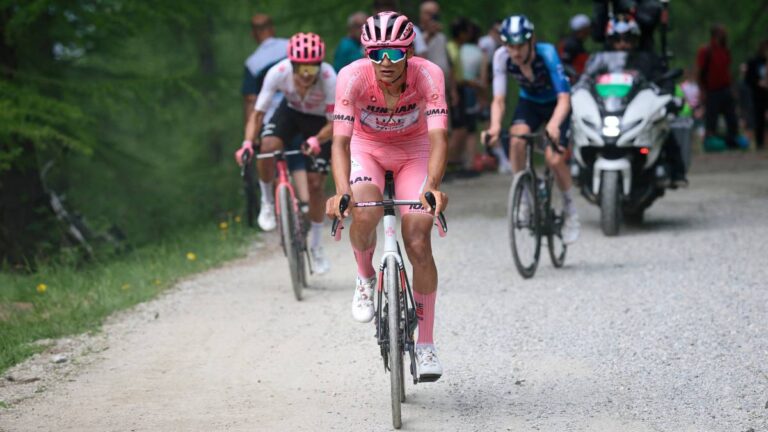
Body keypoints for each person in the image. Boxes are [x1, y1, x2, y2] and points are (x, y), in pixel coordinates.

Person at [326, 11, 449, 381]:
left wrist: (432, 185)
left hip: (414, 152)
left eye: (394, 54)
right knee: (363, 211)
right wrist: (341, 190)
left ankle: (425, 345)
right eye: (376, 52)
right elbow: (340, 141)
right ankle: (365, 278)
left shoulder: (429, 75)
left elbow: (439, 137)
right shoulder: (351, 76)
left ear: (409, 52)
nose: (385, 62)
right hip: (368, 150)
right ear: (366, 52)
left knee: (418, 239)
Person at [237, 33, 337, 274]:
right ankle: (268, 202)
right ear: (291, 64)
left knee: (315, 185)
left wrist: (316, 140)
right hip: (290, 113)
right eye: (301, 68)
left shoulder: (329, 77)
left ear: (319, 67)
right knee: (267, 147)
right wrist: (248, 143)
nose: (305, 75)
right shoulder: (278, 72)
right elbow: (258, 114)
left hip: (321, 123)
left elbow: (336, 123)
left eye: (311, 69)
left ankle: (315, 246)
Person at [485, 15, 581, 244]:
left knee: (554, 159)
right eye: (510, 45)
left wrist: (555, 124)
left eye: (520, 46)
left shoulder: (547, 53)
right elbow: (498, 100)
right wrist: (495, 126)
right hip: (529, 102)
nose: (515, 52)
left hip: (556, 104)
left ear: (531, 41)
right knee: (516, 141)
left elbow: (564, 98)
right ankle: (525, 199)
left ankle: (570, 211)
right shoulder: (501, 57)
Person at [580, 17, 688, 186]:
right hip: (609, 110)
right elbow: (585, 80)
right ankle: (577, 169)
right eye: (617, 40)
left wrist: (667, 97)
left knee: (663, 129)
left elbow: (664, 81)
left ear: (636, 40)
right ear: (609, 41)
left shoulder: (648, 59)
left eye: (627, 39)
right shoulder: (599, 60)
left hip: (638, 113)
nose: (622, 44)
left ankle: (676, 171)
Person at [241, 14, 288, 125]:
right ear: (272, 29)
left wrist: (251, 138)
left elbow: (250, 99)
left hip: (272, 119)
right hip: (302, 111)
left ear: (253, 34)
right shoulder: (293, 47)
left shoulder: (252, 62)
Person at [697, 24, 739, 149]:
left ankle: (732, 140)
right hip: (712, 90)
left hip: (725, 89)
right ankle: (710, 140)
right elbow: (700, 72)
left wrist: (732, 88)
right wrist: (702, 90)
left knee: (731, 116)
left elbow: (727, 70)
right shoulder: (706, 51)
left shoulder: (725, 50)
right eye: (722, 32)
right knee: (711, 117)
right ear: (716, 34)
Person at [591, 0, 662, 53]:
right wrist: (603, 6)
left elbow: (648, 21)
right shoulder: (609, 5)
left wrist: (628, 7)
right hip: (612, 58)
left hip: (641, 56)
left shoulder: (647, 3)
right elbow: (597, 35)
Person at [746, 40, 768, 149]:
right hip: (759, 94)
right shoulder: (754, 62)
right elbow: (748, 79)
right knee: (759, 118)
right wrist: (758, 83)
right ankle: (760, 142)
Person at [559, 14, 591, 79]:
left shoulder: (578, 44)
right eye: (587, 29)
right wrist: (576, 75)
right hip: (572, 82)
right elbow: (564, 64)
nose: (589, 31)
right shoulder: (570, 44)